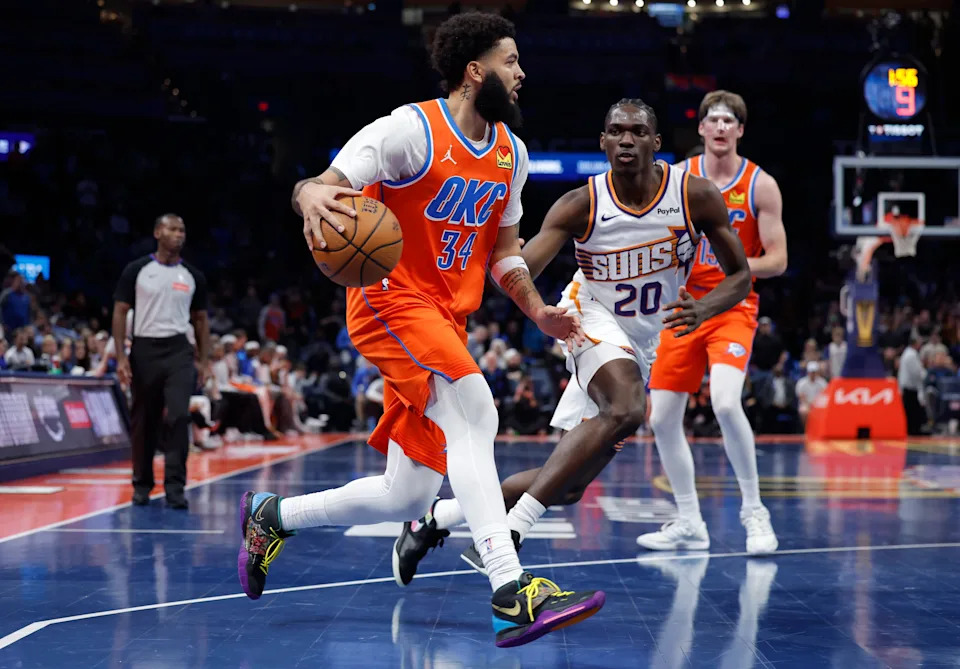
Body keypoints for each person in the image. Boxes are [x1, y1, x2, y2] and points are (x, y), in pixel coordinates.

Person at [236, 12, 604, 648]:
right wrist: (306, 198)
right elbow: (318, 186)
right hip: (389, 300)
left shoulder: (512, 156)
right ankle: (510, 590)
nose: (521, 74)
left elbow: (505, 254)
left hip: (445, 317)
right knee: (475, 412)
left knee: (406, 492)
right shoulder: (411, 130)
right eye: (510, 61)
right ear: (474, 71)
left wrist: (539, 311)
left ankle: (273, 517)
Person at [391, 98, 751, 576]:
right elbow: (518, 268)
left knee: (569, 484)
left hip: (644, 340)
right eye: (616, 131)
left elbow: (740, 277)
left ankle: (434, 520)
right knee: (626, 409)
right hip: (588, 317)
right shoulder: (582, 203)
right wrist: (475, 256)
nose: (627, 139)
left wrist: (704, 307)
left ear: (656, 143)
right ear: (603, 142)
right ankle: (512, 531)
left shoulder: (695, 196)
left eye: (638, 132)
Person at [638, 90, 788, 555]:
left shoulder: (760, 184)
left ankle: (754, 513)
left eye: (730, 121)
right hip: (682, 307)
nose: (721, 127)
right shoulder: (679, 178)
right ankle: (688, 521)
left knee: (725, 403)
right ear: (701, 129)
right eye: (713, 120)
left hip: (731, 306)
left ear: (739, 131)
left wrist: (736, 266)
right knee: (661, 417)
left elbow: (779, 259)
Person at [113, 214, 210, 509]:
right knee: (145, 419)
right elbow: (119, 312)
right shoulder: (137, 270)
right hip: (144, 348)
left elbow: (202, 321)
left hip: (179, 350)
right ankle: (142, 484)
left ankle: (175, 486)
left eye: (182, 229)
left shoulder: (193, 275)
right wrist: (120, 356)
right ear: (157, 232)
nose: (178, 234)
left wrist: (204, 360)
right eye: (172, 229)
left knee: (179, 415)